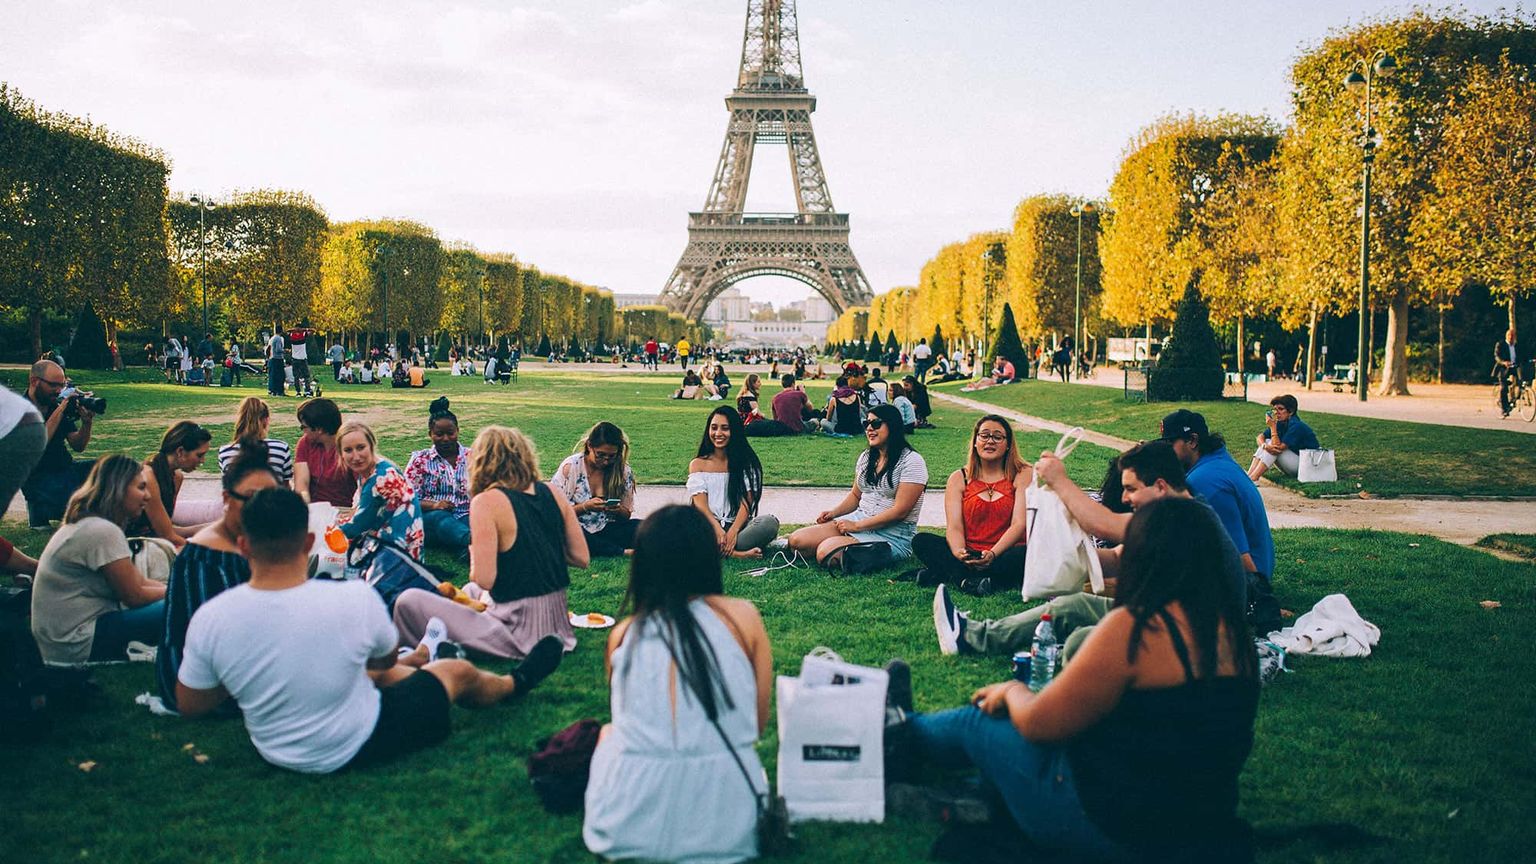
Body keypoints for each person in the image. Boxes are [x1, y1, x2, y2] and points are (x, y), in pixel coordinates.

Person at [898, 496, 1259, 860]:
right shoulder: (1236, 638)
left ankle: (898, 729)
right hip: (1193, 827)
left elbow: (1041, 723)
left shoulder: (1136, 629)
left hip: (1107, 824)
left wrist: (1011, 691)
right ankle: (973, 790)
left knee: (977, 722)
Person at [175, 487, 564, 773]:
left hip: (274, 749)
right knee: (455, 674)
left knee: (360, 666)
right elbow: (381, 667)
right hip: (362, 738)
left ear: (243, 546)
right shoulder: (353, 598)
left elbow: (192, 705)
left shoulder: (213, 617)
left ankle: (428, 657)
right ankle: (515, 682)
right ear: (309, 542)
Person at [583, 505, 773, 862]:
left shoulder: (624, 634)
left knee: (609, 732)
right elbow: (756, 724)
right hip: (727, 828)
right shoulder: (742, 617)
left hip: (625, 827)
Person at [935, 441, 1206, 660]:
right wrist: (1056, 557)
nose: (1124, 499)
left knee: (1080, 643)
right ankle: (970, 636)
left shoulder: (1186, 516)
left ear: (1160, 486)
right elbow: (1116, 558)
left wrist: (1059, 481)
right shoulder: (1178, 513)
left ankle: (1041, 657)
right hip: (1158, 618)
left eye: (1130, 489)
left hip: (1188, 637)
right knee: (1072, 609)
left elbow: (1102, 525)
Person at [393, 426, 586, 659]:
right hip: (556, 625)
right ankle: (442, 640)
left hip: (514, 630)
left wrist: (476, 546)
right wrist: (534, 546)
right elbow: (580, 557)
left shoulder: (486, 501)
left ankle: (424, 650)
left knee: (408, 600)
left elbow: (484, 578)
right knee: (470, 592)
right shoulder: (552, 491)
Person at [155, 440, 279, 711]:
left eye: (270, 498)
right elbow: (224, 641)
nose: (263, 507)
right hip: (196, 684)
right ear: (226, 499)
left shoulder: (246, 539)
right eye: (251, 498)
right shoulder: (206, 558)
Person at [31, 455, 166, 664]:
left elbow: (138, 582)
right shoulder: (101, 530)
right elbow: (134, 595)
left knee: (181, 600)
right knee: (187, 605)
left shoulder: (90, 523)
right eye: (141, 488)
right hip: (77, 640)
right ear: (118, 489)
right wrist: (181, 593)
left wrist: (175, 589)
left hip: (64, 638)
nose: (147, 496)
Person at [787, 402, 927, 565]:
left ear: (893, 426)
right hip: (860, 518)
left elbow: (900, 512)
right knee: (797, 541)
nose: (869, 428)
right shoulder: (867, 457)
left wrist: (856, 526)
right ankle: (842, 543)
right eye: (866, 423)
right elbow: (856, 495)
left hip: (892, 533)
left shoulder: (912, 461)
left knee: (826, 552)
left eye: (876, 424)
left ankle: (845, 545)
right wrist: (834, 513)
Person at [911, 415, 1030, 596]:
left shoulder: (1023, 474)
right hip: (969, 552)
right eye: (984, 435)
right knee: (922, 541)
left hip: (1006, 552)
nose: (990, 441)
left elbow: (1019, 524)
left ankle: (946, 573)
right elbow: (955, 526)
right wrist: (959, 552)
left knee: (1028, 554)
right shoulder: (959, 478)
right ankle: (966, 580)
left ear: (1008, 445)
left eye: (997, 437)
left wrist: (993, 554)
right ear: (975, 441)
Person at [1161, 409, 1274, 584]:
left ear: (1192, 441)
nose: (1165, 451)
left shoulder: (1205, 482)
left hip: (1244, 584)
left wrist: (1261, 599)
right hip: (1253, 572)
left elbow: (1236, 553)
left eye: (1169, 444)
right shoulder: (1216, 462)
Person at [687, 407, 779, 558]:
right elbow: (701, 506)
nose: (718, 434)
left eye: (725, 428)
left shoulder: (745, 462)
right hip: (708, 525)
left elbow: (746, 504)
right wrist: (717, 529)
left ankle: (722, 548)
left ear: (734, 431)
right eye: (714, 428)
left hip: (738, 526)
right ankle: (737, 554)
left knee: (769, 523)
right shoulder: (698, 464)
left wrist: (732, 532)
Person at [21, 360, 97, 529]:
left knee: (115, 469)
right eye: (53, 385)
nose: (58, 391)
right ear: (35, 381)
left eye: (61, 386)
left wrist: (86, 423)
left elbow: (78, 446)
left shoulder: (54, 405)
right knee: (85, 509)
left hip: (67, 468)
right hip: (39, 479)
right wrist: (61, 409)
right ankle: (38, 509)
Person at [337, 422, 426, 559]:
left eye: (360, 448)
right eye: (348, 450)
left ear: (371, 445)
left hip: (396, 554)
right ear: (341, 453)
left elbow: (357, 526)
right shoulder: (377, 468)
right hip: (393, 544)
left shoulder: (380, 478)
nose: (355, 456)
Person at [553, 422, 643, 557]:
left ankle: (602, 547)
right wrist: (585, 507)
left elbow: (626, 515)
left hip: (606, 527)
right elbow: (556, 514)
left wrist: (617, 509)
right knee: (563, 532)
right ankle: (619, 551)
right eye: (600, 455)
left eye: (611, 456)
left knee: (646, 527)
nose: (606, 461)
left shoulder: (623, 471)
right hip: (576, 528)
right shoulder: (572, 467)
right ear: (589, 446)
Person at [127, 421, 216, 548]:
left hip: (152, 541)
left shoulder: (176, 477)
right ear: (180, 451)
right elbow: (167, 536)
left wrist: (215, 527)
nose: (203, 460)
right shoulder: (147, 477)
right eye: (199, 455)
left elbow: (167, 530)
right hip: (132, 545)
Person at [400, 398, 472, 552]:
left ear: (458, 431)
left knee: (471, 524)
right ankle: (471, 541)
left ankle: (467, 550)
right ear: (430, 434)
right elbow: (406, 498)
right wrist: (434, 505)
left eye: (450, 433)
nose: (446, 439)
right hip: (431, 516)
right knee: (441, 519)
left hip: (465, 514)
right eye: (439, 434)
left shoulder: (473, 457)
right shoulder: (420, 460)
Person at [217, 397, 294, 485]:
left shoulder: (225, 452)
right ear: (266, 420)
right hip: (273, 497)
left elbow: (228, 486)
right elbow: (285, 485)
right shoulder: (281, 448)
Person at [1246, 394, 1321, 481]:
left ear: (1291, 411)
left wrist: (1272, 427)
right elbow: (1260, 437)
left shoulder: (1296, 426)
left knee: (1272, 445)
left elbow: (1279, 448)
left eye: (1281, 409)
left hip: (1306, 467)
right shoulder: (1281, 422)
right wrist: (1264, 446)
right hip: (1294, 463)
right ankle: (1249, 476)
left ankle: (1253, 478)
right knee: (1267, 441)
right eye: (1275, 409)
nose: (1277, 412)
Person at [1494, 328, 1520, 417]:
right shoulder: (1500, 344)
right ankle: (1504, 409)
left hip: (1515, 367)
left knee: (1522, 382)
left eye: (1513, 336)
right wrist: (1504, 362)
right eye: (1509, 336)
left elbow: (1523, 355)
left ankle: (1515, 399)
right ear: (1506, 336)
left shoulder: (1517, 346)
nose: (1511, 338)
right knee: (1504, 387)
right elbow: (1497, 356)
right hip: (1503, 368)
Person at [265, 329, 286, 397]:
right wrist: (285, 351)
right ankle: (279, 391)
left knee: (272, 375)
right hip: (278, 359)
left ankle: (272, 390)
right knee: (280, 376)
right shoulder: (278, 338)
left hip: (272, 358)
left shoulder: (272, 338)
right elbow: (278, 349)